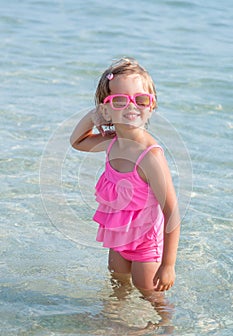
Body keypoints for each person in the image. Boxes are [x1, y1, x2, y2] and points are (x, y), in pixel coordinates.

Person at [70, 57, 180, 300]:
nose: (131, 107)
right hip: (119, 235)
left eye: (141, 100)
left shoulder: (149, 156)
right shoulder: (112, 143)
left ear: (151, 106)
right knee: (117, 287)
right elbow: (76, 142)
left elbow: (171, 210)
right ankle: (115, 329)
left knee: (150, 295)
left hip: (146, 242)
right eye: (119, 100)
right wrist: (94, 115)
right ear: (105, 109)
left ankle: (163, 332)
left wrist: (168, 265)